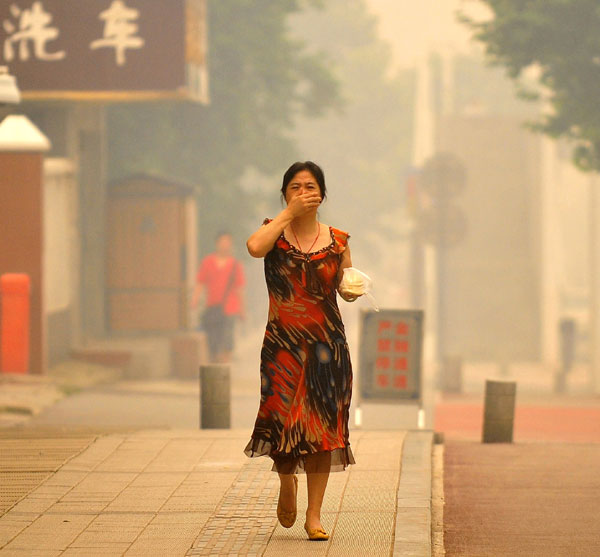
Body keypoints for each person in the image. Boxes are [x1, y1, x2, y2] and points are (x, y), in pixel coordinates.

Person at [243, 161, 361, 541]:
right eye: (294, 187)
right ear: (285, 194)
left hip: (328, 349)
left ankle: (314, 516)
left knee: (322, 430)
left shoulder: (338, 240)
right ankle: (286, 481)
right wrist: (286, 216)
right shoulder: (272, 233)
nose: (303, 192)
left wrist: (351, 289)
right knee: (281, 423)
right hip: (282, 347)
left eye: (309, 186)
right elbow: (254, 248)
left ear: (322, 194)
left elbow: (345, 284)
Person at [191, 231, 245, 363]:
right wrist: (195, 300)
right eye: (223, 242)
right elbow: (200, 283)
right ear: (217, 244)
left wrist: (242, 310)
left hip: (230, 308)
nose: (225, 245)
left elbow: (240, 289)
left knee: (227, 339)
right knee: (213, 339)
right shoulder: (207, 262)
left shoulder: (235, 265)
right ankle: (215, 364)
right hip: (213, 307)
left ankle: (224, 367)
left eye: (228, 243)